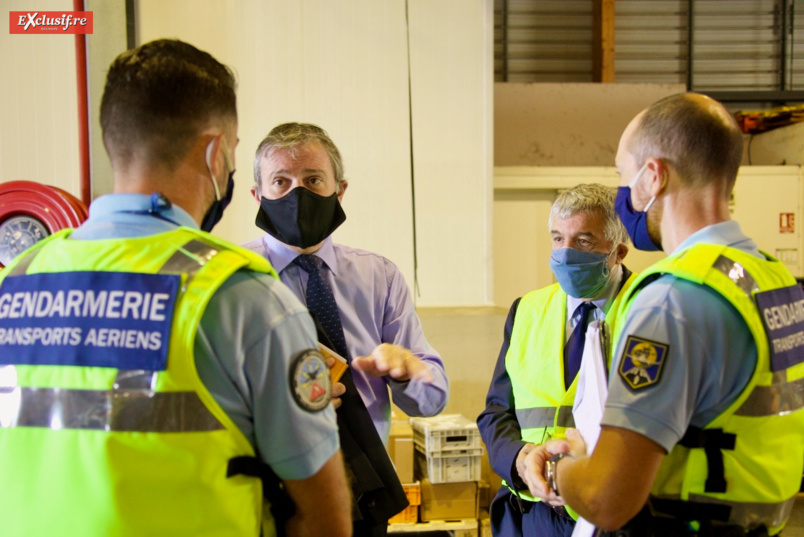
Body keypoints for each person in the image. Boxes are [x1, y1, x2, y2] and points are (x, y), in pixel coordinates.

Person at [0, 40, 351, 537]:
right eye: (231, 150)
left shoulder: (16, 279)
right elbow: (324, 520)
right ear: (215, 152)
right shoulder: (244, 297)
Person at [522, 93, 804, 536]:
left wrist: (564, 468)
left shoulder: (671, 301)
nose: (621, 194)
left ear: (653, 176)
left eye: (622, 174)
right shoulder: (772, 279)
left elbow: (605, 498)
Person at [243, 122, 449, 535]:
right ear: (258, 195)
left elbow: (432, 399)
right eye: (280, 182)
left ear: (339, 190)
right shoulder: (235, 278)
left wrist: (407, 370)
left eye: (313, 180)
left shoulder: (379, 277)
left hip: (362, 488)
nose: (296, 193)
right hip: (263, 494)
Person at [477, 183, 636, 536]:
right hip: (533, 514)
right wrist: (520, 459)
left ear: (618, 251)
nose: (566, 253)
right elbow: (495, 413)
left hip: (613, 515)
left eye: (583, 241)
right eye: (557, 239)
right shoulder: (527, 310)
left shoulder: (648, 311)